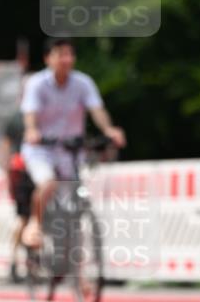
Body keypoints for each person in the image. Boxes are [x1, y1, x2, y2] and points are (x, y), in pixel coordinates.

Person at [20, 38, 125, 248]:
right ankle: (35, 223)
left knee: (76, 205)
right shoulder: (37, 84)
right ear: (48, 58)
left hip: (70, 151)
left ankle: (79, 275)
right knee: (48, 183)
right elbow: (30, 114)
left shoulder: (83, 83)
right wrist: (32, 131)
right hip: (42, 150)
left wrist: (108, 130)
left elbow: (97, 110)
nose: (66, 60)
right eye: (61, 54)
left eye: (70, 54)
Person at [0, 79, 34, 282]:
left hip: (39, 172)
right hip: (21, 172)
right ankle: (14, 259)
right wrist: (6, 171)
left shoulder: (43, 115)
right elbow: (5, 145)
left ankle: (32, 259)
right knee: (23, 218)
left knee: (38, 216)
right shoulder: (15, 118)